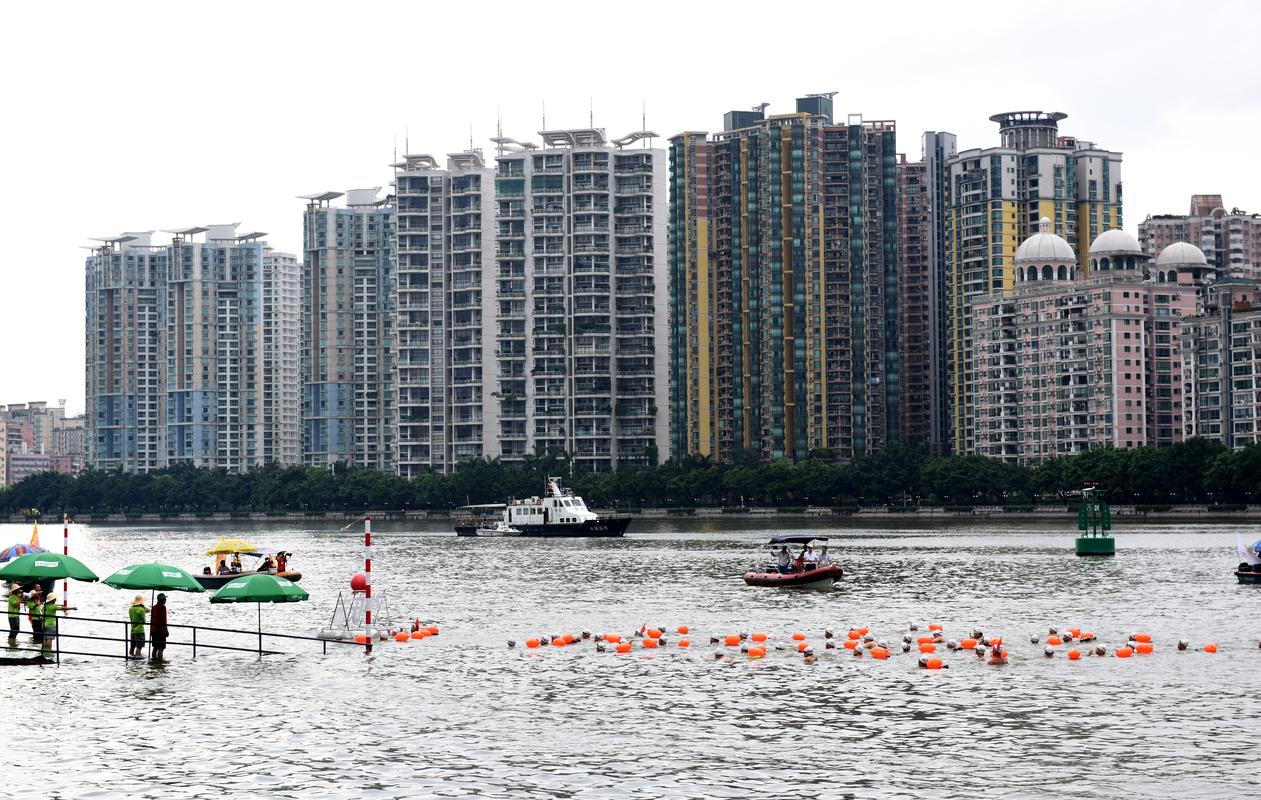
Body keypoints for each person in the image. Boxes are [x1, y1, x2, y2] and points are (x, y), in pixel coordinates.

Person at [150, 593, 169, 662]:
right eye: (165, 599)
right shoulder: (163, 607)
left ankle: (154, 662)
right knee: (161, 648)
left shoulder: (154, 607)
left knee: (155, 647)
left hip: (154, 630)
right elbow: (163, 620)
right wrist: (166, 630)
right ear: (162, 600)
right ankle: (160, 663)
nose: (166, 600)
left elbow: (152, 619)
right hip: (160, 631)